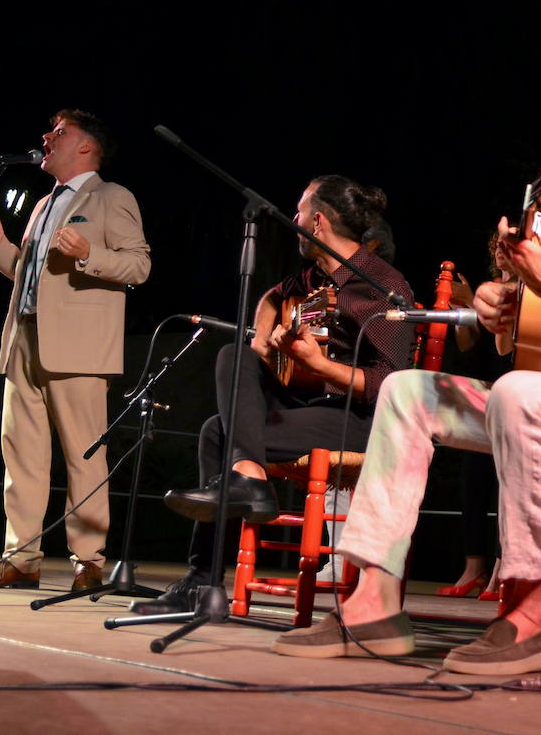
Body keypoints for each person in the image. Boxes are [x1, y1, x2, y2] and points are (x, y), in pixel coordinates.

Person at [269, 58, 541, 676]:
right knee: (405, 391)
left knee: (521, 395)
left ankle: (530, 611)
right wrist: (500, 312)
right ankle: (373, 604)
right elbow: (535, 345)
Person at [131, 175, 414, 614]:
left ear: (317, 222)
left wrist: (319, 366)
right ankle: (250, 480)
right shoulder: (315, 278)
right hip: (308, 406)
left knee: (216, 433)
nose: (293, 218)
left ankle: (202, 581)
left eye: (299, 211)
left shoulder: (379, 285)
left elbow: (390, 381)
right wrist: (263, 340)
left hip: (360, 420)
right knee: (234, 356)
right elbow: (272, 296)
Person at [0, 109, 151, 590]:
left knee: (83, 455)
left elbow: (138, 267)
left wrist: (88, 254)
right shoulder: (42, 205)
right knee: (21, 455)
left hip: (80, 347)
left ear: (87, 146)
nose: (46, 138)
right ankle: (20, 557)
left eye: (59, 132)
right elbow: (32, 279)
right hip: (25, 337)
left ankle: (89, 560)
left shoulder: (113, 197)